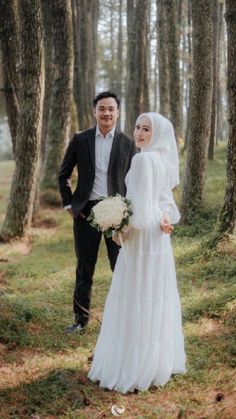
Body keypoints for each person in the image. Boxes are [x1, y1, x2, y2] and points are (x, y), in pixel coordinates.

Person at [88, 112, 186, 393]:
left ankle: (133, 364)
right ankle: (154, 362)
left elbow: (140, 211)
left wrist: (122, 230)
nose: (140, 133)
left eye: (147, 129)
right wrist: (165, 218)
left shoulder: (143, 159)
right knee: (154, 292)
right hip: (158, 237)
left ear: (157, 135)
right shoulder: (162, 161)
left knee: (138, 291)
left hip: (144, 237)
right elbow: (164, 201)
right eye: (138, 127)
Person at [58, 91, 138, 333]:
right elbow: (64, 174)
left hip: (117, 214)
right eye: (102, 108)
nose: (106, 113)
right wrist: (70, 205)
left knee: (121, 267)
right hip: (86, 213)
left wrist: (129, 213)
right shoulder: (80, 140)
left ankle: (125, 318)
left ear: (117, 112)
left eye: (111, 109)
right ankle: (80, 320)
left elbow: (135, 180)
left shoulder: (127, 143)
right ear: (95, 111)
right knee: (85, 268)